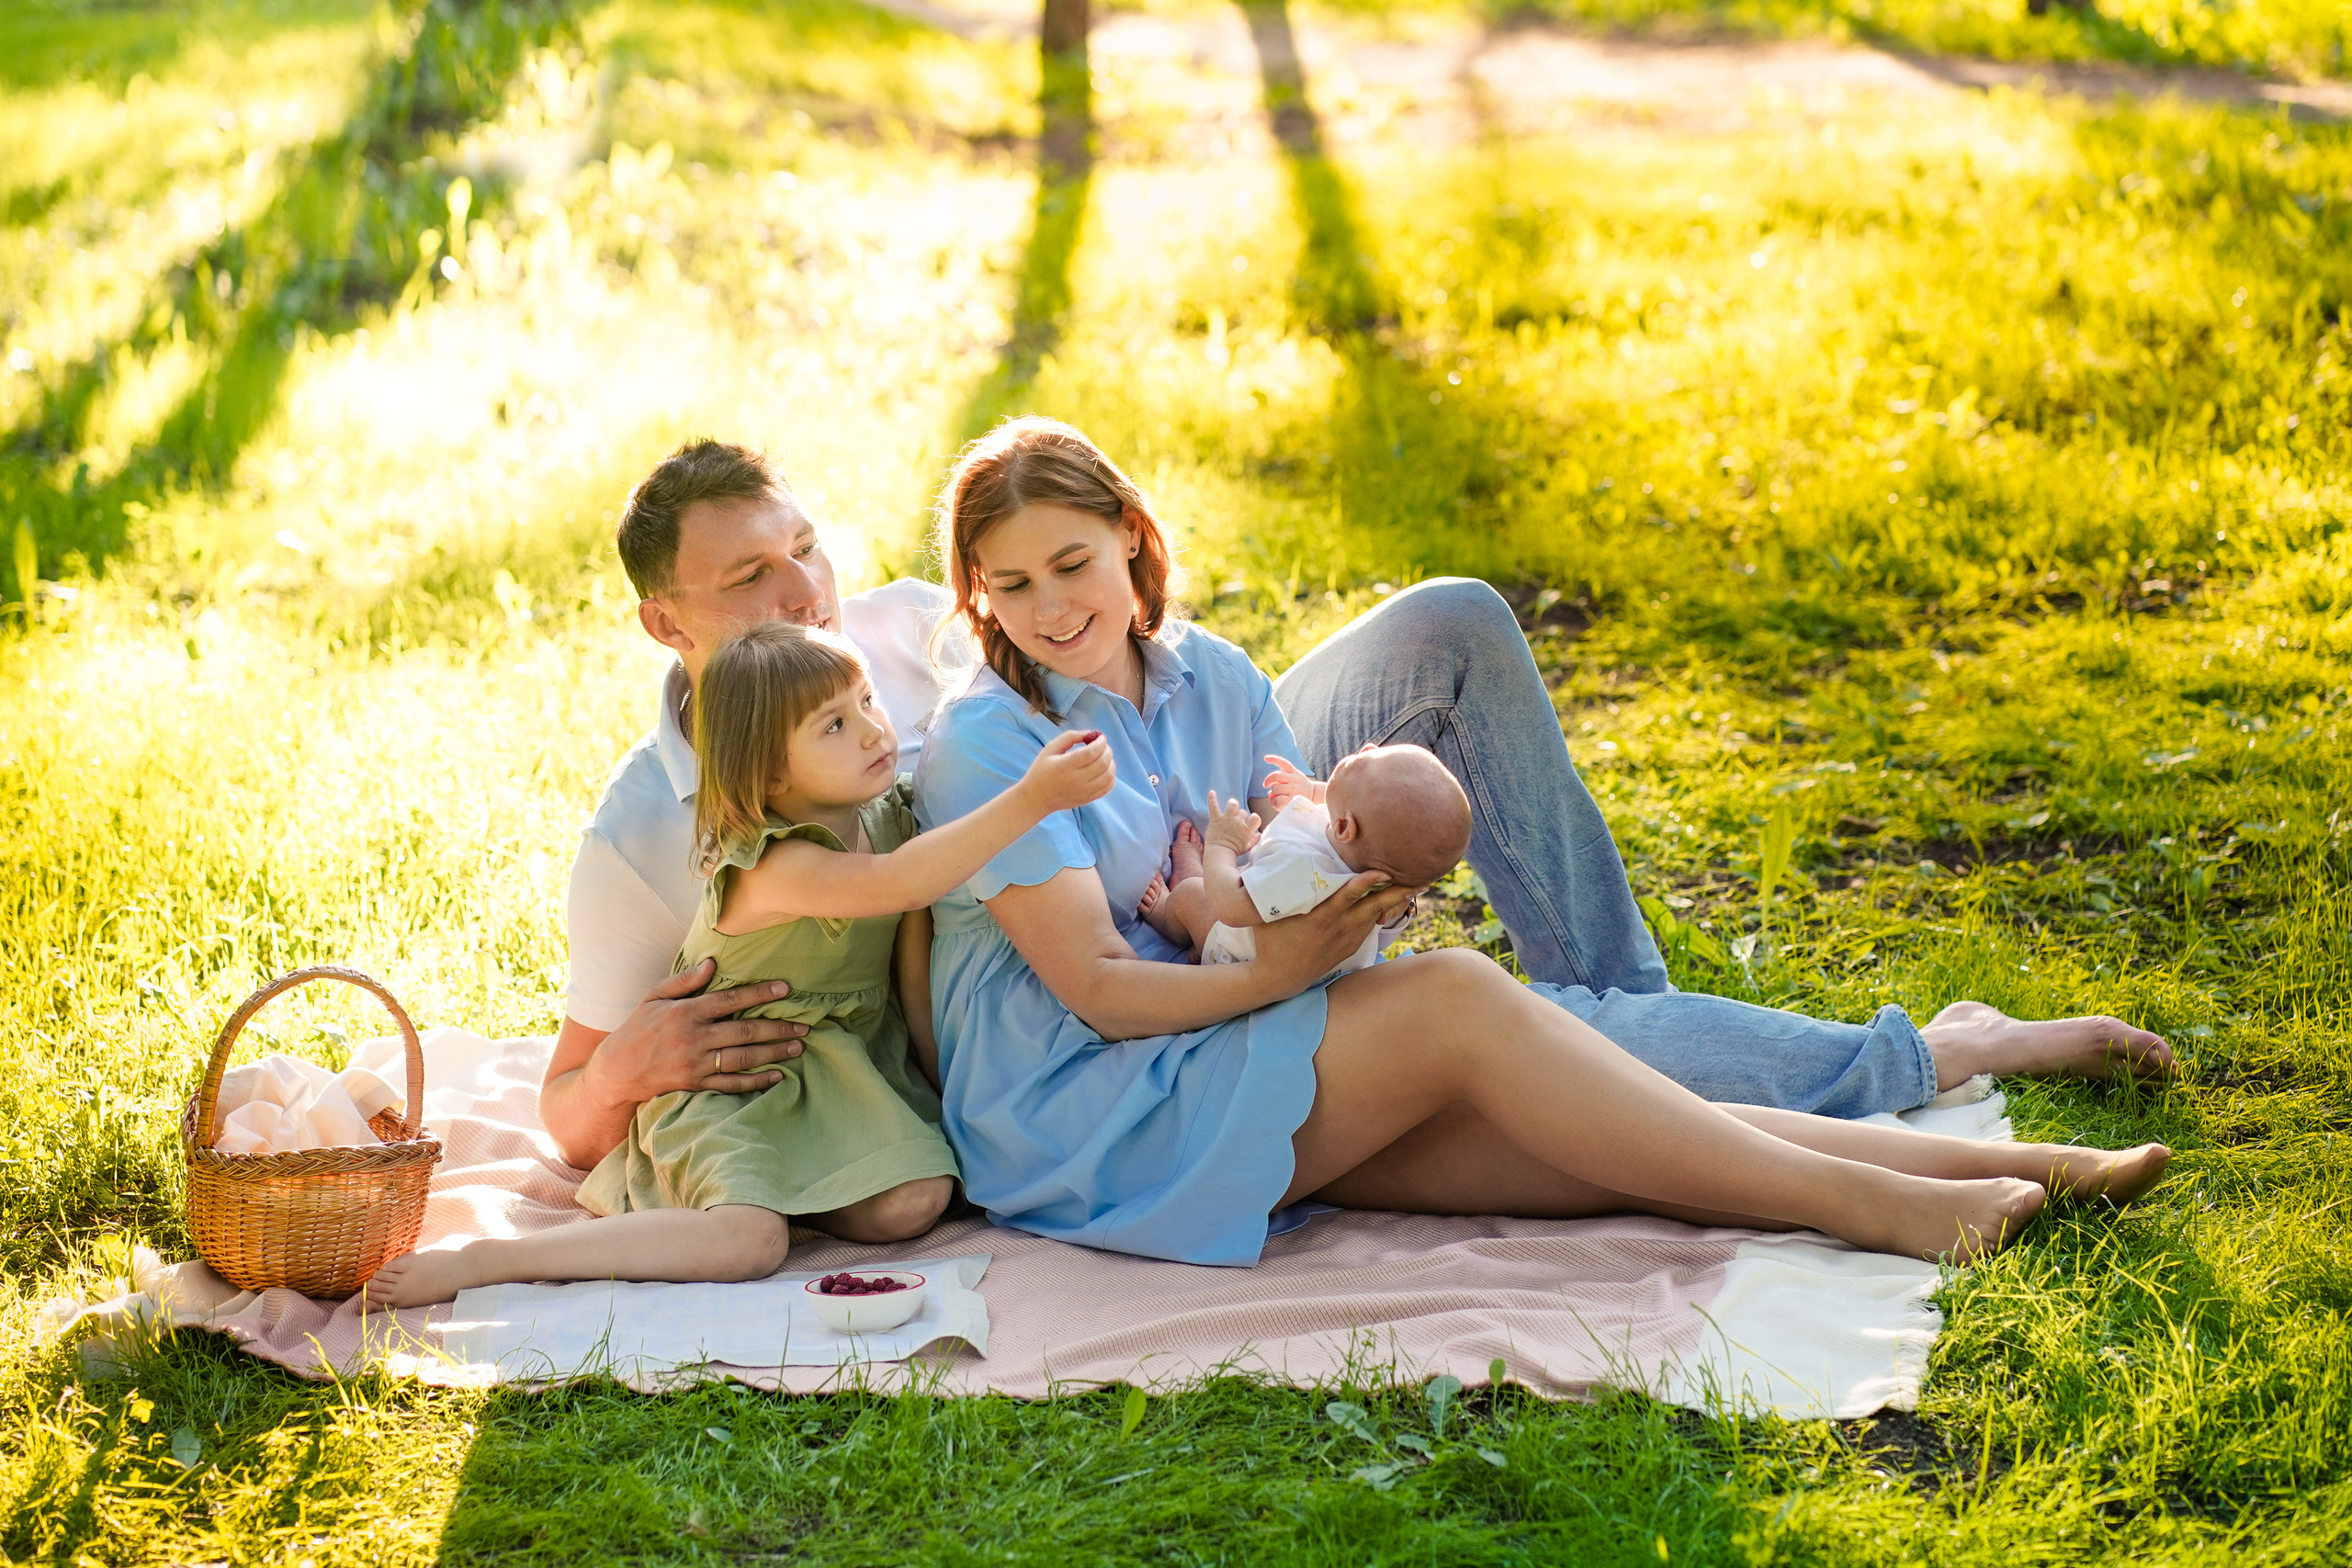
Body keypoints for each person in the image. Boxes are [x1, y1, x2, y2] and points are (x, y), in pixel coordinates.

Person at [541, 434, 2170, 1174]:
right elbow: (562, 1108)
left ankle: (1624, 1019)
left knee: (1450, 620)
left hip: (1160, 802)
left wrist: (1289, 808)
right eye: (749, 580)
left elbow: (1076, 616)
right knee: (1456, 1019)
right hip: (1084, 943)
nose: (804, 587)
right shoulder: (655, 823)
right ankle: (1674, 1056)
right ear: (667, 624)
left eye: (802, 543)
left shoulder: (921, 619)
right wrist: (630, 1065)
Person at [910, 416, 2172, 1267]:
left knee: (1581, 1138)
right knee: (1463, 996)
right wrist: (1287, 965)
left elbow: (1293, 875)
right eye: (1008, 585)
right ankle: (1893, 1207)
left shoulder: (1218, 678)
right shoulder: (990, 741)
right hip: (1092, 1108)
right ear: (976, 591)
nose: (1048, 607)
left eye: (1070, 562)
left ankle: (2028, 1162)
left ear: (1132, 536)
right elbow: (1101, 994)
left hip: (1230, 1037)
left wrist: (1357, 885)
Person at [367, 623, 1115, 1306]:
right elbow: (902, 883)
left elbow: (911, 967)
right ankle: (495, 1259)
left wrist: (940, 1091)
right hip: (731, 1080)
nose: (871, 730)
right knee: (750, 1243)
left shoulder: (889, 816)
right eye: (833, 724)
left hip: (836, 1065)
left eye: (866, 700)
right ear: (770, 779)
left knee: (918, 1200)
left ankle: (783, 1184)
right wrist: (1033, 797)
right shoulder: (774, 863)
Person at [1137, 745, 1469, 976]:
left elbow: (1231, 907)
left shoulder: (1304, 869)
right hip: (1318, 971)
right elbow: (1356, 812)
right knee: (1250, 871)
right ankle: (1200, 940)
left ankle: (1168, 912)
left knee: (1194, 895)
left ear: (1343, 827)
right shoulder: (1376, 876)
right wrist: (1310, 790)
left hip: (1239, 960)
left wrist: (1220, 846)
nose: (1366, 747)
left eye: (1356, 764)